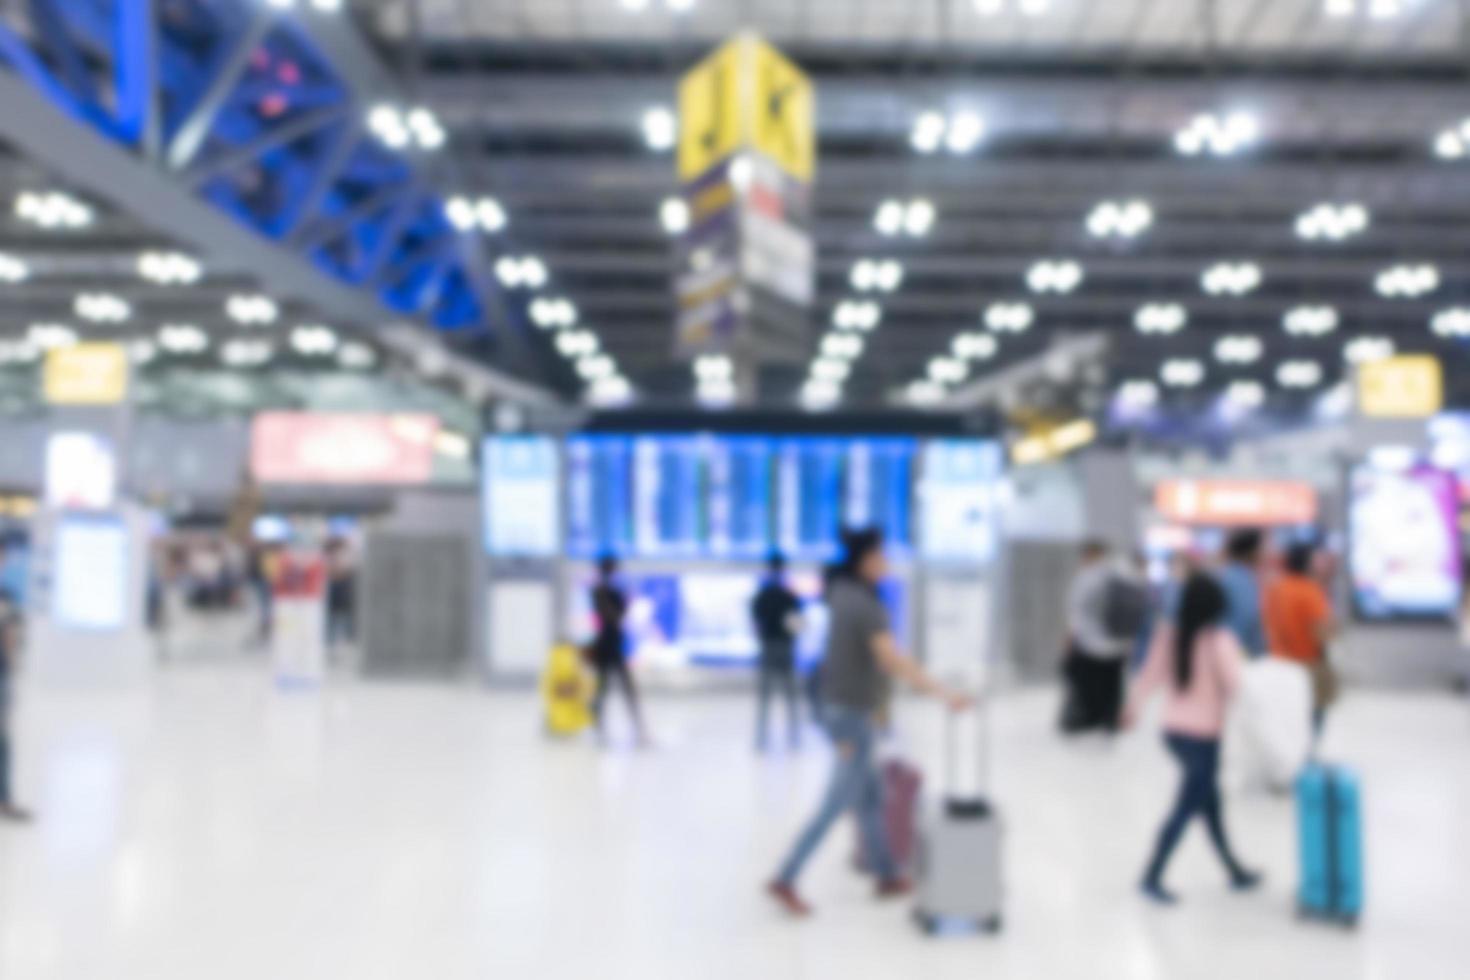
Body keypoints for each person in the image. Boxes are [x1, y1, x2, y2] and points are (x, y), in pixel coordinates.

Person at [767, 528, 974, 918]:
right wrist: (945, 693)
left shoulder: (842, 594)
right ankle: (786, 877)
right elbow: (891, 660)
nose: (887, 564)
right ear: (865, 561)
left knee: (871, 798)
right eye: (881, 557)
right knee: (836, 804)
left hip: (839, 708)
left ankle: (887, 874)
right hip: (852, 718)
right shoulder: (866, 606)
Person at [1124, 573, 1261, 905]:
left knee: (1211, 805)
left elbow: (1149, 676)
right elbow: (1237, 687)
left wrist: (1133, 708)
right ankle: (1151, 876)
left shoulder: (1168, 636)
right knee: (1186, 808)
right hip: (1204, 736)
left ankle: (1234, 869)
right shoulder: (1220, 641)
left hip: (1173, 731)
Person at [1062, 540, 1140, 733]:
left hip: (1090, 644)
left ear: (1088, 555)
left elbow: (1076, 611)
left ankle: (1090, 719)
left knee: (1090, 683)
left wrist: (1071, 638)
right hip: (1119, 642)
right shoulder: (1121, 574)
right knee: (1113, 684)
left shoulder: (1086, 577)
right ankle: (1111, 719)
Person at [1264, 542, 1338, 737]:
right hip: (1307, 663)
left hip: (1277, 660)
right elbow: (1322, 631)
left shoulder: (1275, 588)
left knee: (1285, 716)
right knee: (1312, 714)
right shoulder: (1310, 591)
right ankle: (1305, 757)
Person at [588, 555, 649, 747]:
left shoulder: (611, 591)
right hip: (607, 645)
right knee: (604, 689)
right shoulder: (600, 591)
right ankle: (598, 728)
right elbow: (612, 616)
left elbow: (619, 615)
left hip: (613, 644)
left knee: (616, 689)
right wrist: (624, 604)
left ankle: (637, 728)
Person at [751, 552, 804, 752]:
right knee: (790, 695)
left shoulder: (762, 596)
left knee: (765, 696)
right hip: (785, 646)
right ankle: (794, 739)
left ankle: (761, 740)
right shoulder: (789, 597)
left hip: (768, 647)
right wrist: (791, 639)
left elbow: (755, 624)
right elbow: (798, 624)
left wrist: (763, 639)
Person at [0, 576, 31, 823]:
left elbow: (9, 637)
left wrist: (12, 668)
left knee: (3, 739)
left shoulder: (5, 595)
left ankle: (5, 798)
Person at [1218, 530, 1268, 658]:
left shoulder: (1224, 576)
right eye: (1263, 549)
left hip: (1226, 653)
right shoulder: (1242, 583)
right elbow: (1249, 621)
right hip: (1240, 656)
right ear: (1253, 552)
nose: (1266, 554)